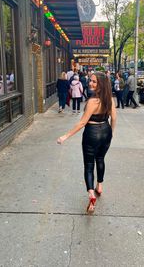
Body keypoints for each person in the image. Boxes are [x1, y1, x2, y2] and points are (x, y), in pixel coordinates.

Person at [57, 72, 116, 214]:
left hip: (92, 133)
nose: (90, 83)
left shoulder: (92, 101)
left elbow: (83, 122)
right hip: (106, 131)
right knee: (100, 159)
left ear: (101, 84)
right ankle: (99, 186)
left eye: (94, 82)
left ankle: (91, 194)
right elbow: (113, 118)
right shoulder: (110, 99)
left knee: (89, 165)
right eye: (90, 81)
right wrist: (111, 134)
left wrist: (65, 136)